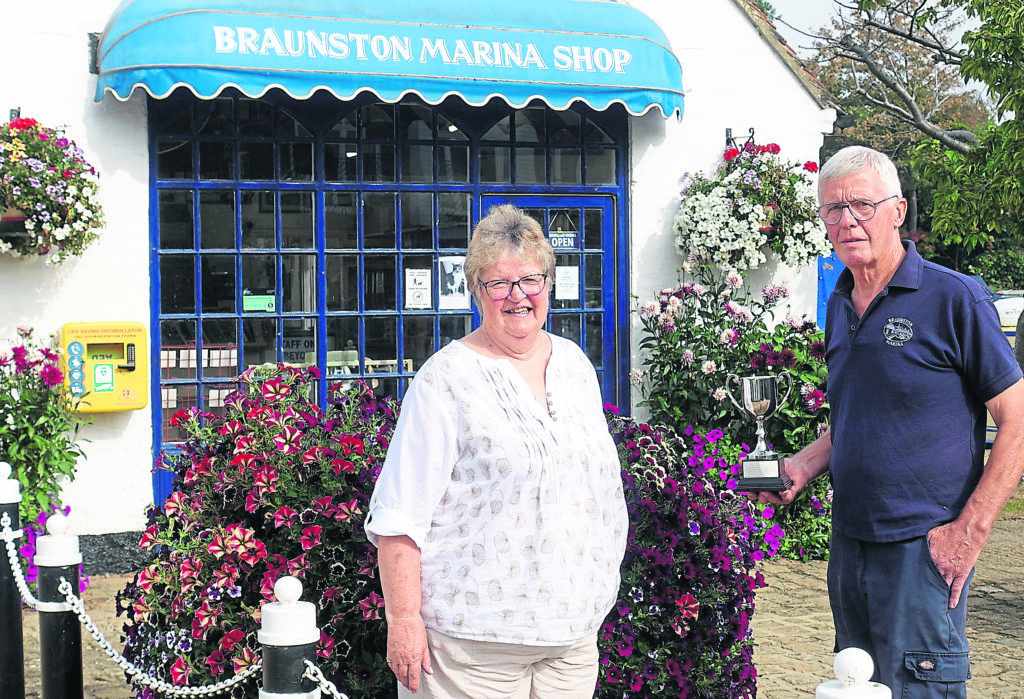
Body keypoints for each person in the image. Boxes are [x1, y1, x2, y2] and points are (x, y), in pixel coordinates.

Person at [754, 146, 1024, 698]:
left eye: (861, 204)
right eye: (832, 209)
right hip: (850, 543)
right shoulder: (839, 302)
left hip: (924, 548)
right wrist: (803, 464)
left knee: (922, 689)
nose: (847, 220)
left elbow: (1017, 421)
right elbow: (858, 414)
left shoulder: (955, 299)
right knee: (856, 688)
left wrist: (968, 533)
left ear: (898, 210)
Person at [364, 204, 627, 698]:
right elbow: (400, 515)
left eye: (530, 279)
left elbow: (599, 489)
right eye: (497, 283)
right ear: (476, 292)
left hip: (570, 640)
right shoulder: (445, 380)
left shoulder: (574, 365)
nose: (517, 295)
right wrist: (402, 619)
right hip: (469, 648)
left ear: (547, 282)